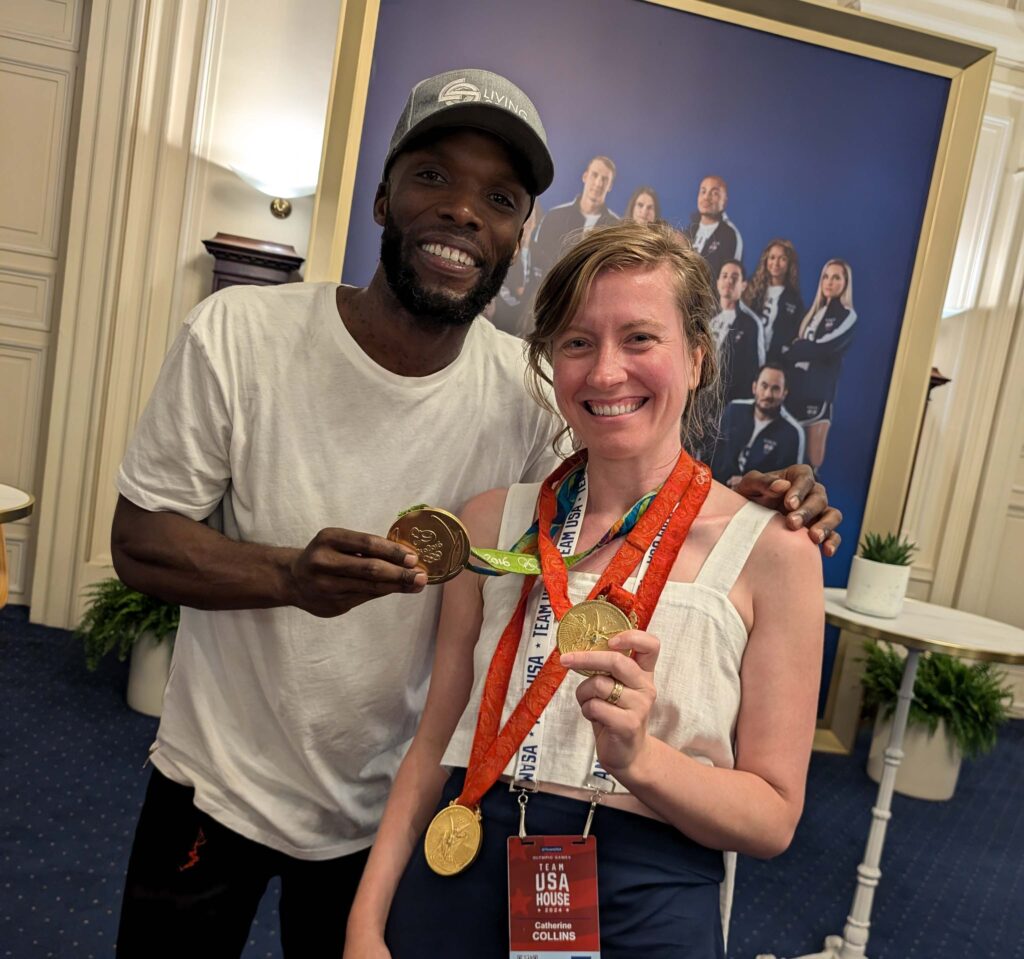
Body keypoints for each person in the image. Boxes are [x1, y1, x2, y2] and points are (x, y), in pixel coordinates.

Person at [110, 68, 840, 957]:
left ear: (520, 231)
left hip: (391, 803)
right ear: (381, 197)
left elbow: (624, 471)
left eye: (498, 196)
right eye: (432, 177)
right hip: (222, 779)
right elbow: (138, 543)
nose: (462, 211)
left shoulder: (526, 399)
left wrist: (764, 502)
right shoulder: (240, 335)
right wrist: (290, 576)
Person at [345, 222, 824, 958]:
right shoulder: (492, 525)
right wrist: (365, 922)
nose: (605, 373)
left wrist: (640, 757)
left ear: (696, 358)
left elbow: (772, 818)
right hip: (465, 849)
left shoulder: (773, 552)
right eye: (576, 342)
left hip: (646, 887)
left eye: (639, 339)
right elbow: (434, 741)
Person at [779, 259, 857, 472]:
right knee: (785, 461)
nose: (829, 282)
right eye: (826, 276)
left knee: (812, 463)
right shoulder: (811, 313)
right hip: (793, 394)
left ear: (845, 283)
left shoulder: (847, 315)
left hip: (818, 397)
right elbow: (788, 350)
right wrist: (799, 349)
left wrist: (800, 347)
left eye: (836, 277)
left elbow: (827, 347)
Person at [711, 363, 806, 486]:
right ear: (754, 387)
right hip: (717, 490)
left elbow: (788, 481)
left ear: (784, 393)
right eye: (764, 386)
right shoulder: (734, 410)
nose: (768, 394)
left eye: (775, 389)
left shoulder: (792, 433)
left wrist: (750, 483)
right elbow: (713, 452)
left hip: (757, 500)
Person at [532, 154, 620, 278]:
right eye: (595, 175)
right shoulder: (554, 217)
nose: (598, 183)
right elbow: (537, 261)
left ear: (610, 186)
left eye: (605, 179)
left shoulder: (616, 229)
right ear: (585, 177)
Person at [711, 259, 765, 404]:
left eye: (734, 278)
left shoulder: (751, 323)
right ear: (717, 282)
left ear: (743, 286)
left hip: (730, 402)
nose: (729, 281)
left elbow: (756, 369)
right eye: (724, 276)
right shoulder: (705, 316)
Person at [742, 238, 804, 360]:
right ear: (766, 260)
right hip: (747, 355)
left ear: (789, 264)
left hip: (774, 361)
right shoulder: (752, 288)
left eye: (782, 259)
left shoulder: (794, 300)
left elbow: (795, 335)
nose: (776, 263)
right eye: (772, 257)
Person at [490, 200, 544, 337]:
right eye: (522, 218)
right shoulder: (498, 249)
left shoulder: (542, 257)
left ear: (536, 221)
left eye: (530, 218)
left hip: (525, 332)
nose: (525, 224)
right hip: (495, 325)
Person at [684, 175, 743, 281]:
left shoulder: (730, 235)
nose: (706, 197)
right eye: (703, 191)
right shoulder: (689, 231)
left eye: (714, 193)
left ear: (724, 201)